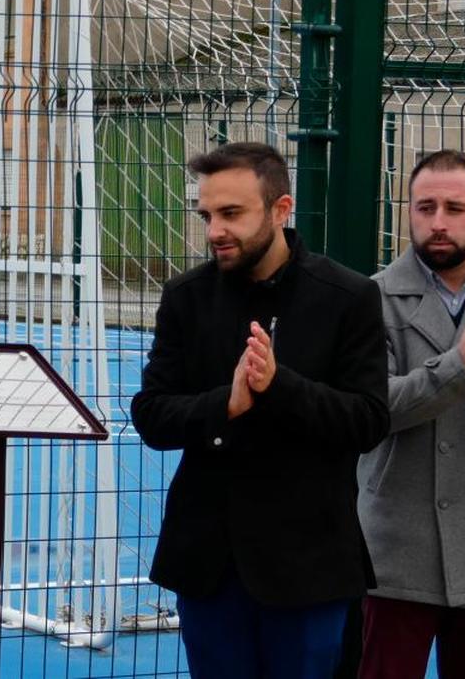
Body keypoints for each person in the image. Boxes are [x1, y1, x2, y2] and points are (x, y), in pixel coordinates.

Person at [130, 141, 390, 679]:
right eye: (206, 215)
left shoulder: (348, 296)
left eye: (231, 214)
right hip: (209, 562)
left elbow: (367, 420)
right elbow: (152, 415)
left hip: (309, 564)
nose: (214, 231)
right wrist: (225, 403)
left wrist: (279, 386)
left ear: (280, 209)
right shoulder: (186, 297)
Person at [357, 150, 465, 679]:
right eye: (426, 207)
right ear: (407, 210)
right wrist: (457, 367)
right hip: (397, 545)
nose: (439, 222)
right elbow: (372, 410)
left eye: (455, 207)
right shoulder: (370, 299)